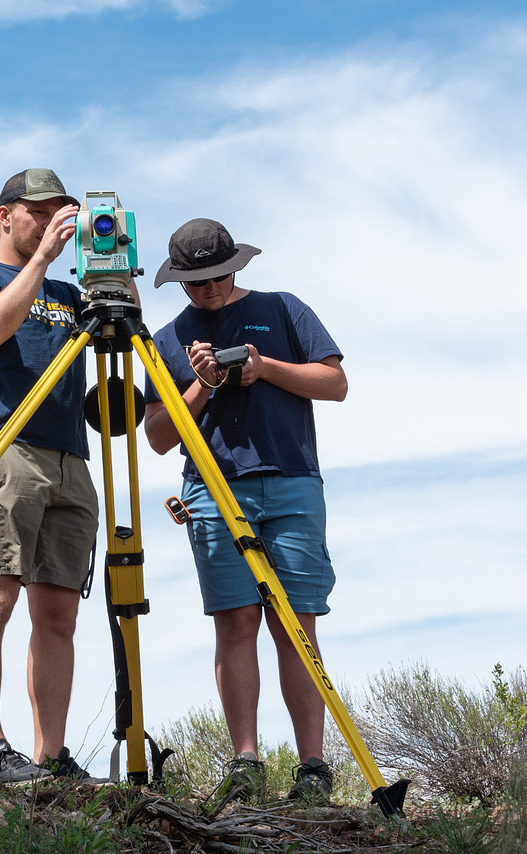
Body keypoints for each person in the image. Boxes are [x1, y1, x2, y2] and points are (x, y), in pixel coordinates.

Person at [142, 217, 347, 802]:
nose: (206, 290)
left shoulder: (284, 309)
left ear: (235, 266)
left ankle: (313, 766)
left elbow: (335, 383)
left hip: (291, 482)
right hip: (213, 489)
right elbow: (158, 435)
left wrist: (262, 368)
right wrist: (202, 384)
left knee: (295, 624)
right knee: (235, 625)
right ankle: (245, 761)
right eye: (194, 281)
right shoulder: (168, 337)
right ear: (179, 280)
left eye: (215, 277)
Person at [0, 168, 100, 784]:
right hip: (5, 450)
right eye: (35, 210)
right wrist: (40, 260)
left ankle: (51, 755)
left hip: (70, 457)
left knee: (59, 614)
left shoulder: (69, 293)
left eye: (58, 210)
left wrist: (116, 295)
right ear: (5, 215)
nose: (48, 220)